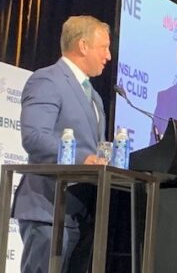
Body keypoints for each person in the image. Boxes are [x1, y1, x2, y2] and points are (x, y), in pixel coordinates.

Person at [11, 15, 111, 273]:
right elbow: (34, 137)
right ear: (83, 46)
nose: (108, 56)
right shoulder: (47, 80)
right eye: (104, 48)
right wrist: (83, 160)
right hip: (49, 209)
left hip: (82, 213)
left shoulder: (95, 98)